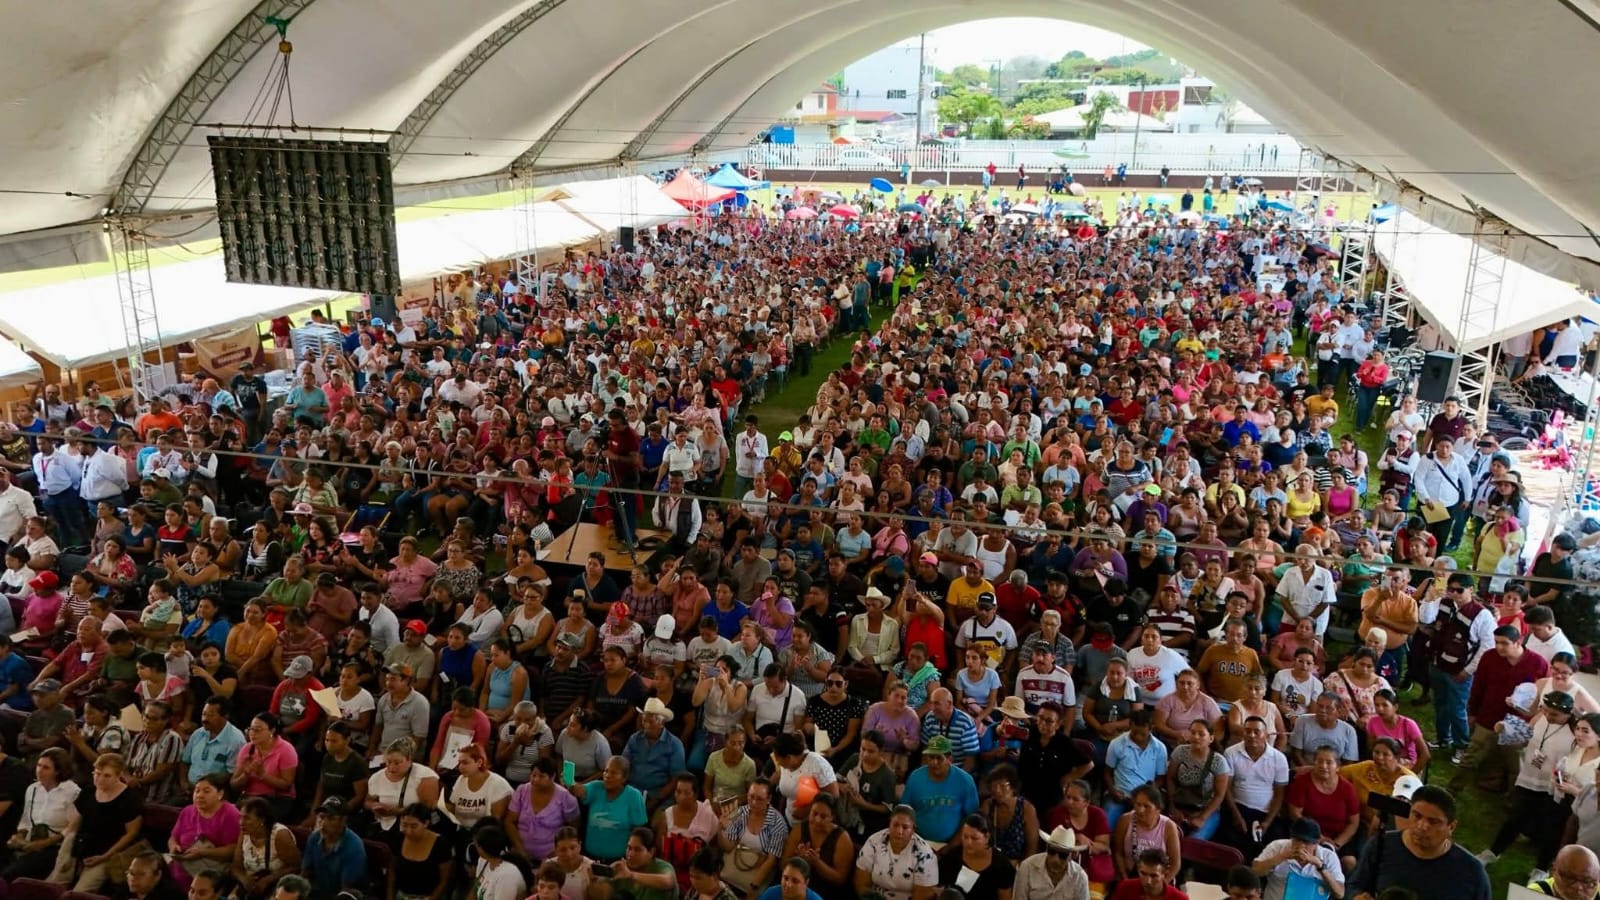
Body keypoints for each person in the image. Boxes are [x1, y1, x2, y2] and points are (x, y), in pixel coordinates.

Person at [1347, 785, 1489, 900]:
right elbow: (1354, 885)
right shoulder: (1381, 845)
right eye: (1417, 816)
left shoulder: (1472, 872)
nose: (1422, 826)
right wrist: (1356, 896)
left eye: (1433, 821)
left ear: (1451, 827)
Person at [61, 752, 145, 892]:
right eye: (97, 774)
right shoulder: (88, 792)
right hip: (81, 847)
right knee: (55, 884)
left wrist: (104, 857)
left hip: (107, 853)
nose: (100, 779)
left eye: (107, 776)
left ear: (119, 776)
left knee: (80, 892)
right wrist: (68, 853)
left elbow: (131, 834)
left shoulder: (130, 799)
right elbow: (74, 824)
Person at [5, 747, 78, 881]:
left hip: (56, 847)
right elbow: (26, 821)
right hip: (32, 843)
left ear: (58, 771)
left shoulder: (71, 792)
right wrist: (19, 836)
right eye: (39, 765)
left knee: (10, 874)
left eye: (46, 768)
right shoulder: (33, 788)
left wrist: (44, 843)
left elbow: (73, 828)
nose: (39, 770)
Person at [166, 773, 241, 890]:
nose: (199, 795)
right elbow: (173, 838)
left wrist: (202, 852)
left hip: (211, 870)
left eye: (206, 791)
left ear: (220, 794)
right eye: (197, 791)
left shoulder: (230, 814)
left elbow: (233, 850)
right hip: (182, 864)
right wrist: (174, 847)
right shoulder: (187, 811)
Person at [855, 804, 938, 900]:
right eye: (895, 825)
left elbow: (922, 895)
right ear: (889, 824)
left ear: (913, 829)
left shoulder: (924, 854)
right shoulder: (873, 842)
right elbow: (861, 884)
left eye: (905, 827)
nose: (899, 831)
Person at [1251, 817, 1344, 900]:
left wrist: (1320, 866)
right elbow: (1255, 871)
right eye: (1297, 840)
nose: (1301, 846)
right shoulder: (1277, 846)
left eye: (1306, 842)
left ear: (1317, 842)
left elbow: (1339, 893)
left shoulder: (1329, 857)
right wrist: (1282, 857)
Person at [299, 796, 366, 900]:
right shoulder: (314, 838)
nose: (323, 823)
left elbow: (346, 892)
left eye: (331, 818)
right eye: (321, 817)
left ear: (343, 820)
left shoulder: (354, 847)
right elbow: (305, 873)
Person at [389, 802, 455, 900]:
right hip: (402, 895)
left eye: (414, 826)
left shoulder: (440, 844)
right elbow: (392, 873)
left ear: (426, 823)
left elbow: (444, 881)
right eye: (405, 825)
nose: (408, 831)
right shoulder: (399, 839)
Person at [1014, 824, 1091, 900]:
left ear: (1072, 856)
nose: (1055, 859)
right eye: (1052, 851)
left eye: (1062, 855)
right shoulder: (1027, 867)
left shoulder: (1079, 877)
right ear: (1047, 848)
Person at [1527, 844, 1600, 899]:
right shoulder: (1535, 893)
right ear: (1553, 871)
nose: (1578, 887)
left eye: (1587, 882)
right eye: (1570, 878)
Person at [1109, 848, 1185, 900]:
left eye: (1154, 876)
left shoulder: (1179, 898)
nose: (1148, 881)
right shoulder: (1124, 888)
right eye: (1143, 873)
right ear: (1138, 869)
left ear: (1164, 874)